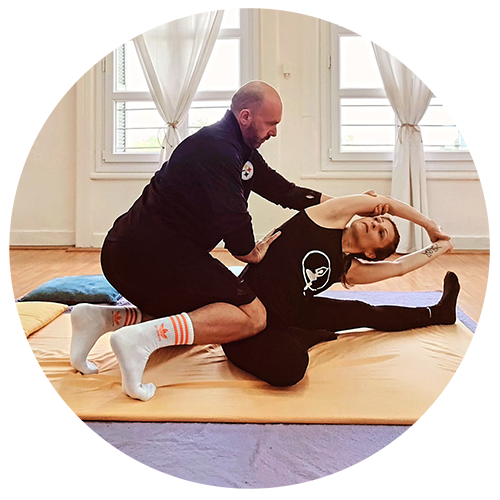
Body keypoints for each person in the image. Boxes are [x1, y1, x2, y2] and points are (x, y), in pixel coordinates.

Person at [70, 81, 337, 400]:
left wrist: (345, 205)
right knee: (252, 316)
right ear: (246, 116)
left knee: (207, 314)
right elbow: (234, 221)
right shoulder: (218, 150)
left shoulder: (238, 150)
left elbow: (283, 191)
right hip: (147, 259)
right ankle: (139, 341)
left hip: (133, 253)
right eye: (271, 123)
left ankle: (104, 318)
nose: (275, 132)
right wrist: (249, 252)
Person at [221, 192, 458, 388]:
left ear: (371, 254)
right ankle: (301, 337)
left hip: (288, 314)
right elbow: (383, 202)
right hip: (244, 322)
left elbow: (400, 267)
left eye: (381, 232)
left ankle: (438, 313)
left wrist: (441, 245)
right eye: (378, 220)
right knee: (293, 367)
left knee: (363, 311)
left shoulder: (348, 268)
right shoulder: (326, 217)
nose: (375, 223)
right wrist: (429, 226)